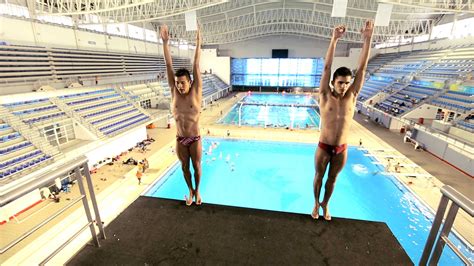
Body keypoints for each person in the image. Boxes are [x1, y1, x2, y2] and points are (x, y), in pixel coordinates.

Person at [312, 20, 374, 221]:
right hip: (323, 146)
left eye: (347, 83)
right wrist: (334, 39)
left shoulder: (352, 96)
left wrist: (367, 38)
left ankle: (325, 205)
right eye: (340, 83)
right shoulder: (324, 94)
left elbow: (362, 69)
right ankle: (315, 203)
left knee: (332, 180)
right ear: (333, 82)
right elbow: (327, 67)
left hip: (341, 148)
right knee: (319, 178)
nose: (344, 86)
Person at [161, 24, 203, 206]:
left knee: (196, 167)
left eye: (183, 83)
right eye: (177, 83)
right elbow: (168, 64)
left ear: (190, 82)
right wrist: (165, 43)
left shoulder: (196, 91)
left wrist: (199, 42)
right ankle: (190, 191)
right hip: (180, 139)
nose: (179, 86)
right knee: (184, 167)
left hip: (194, 138)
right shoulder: (174, 92)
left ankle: (198, 191)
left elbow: (196, 64)